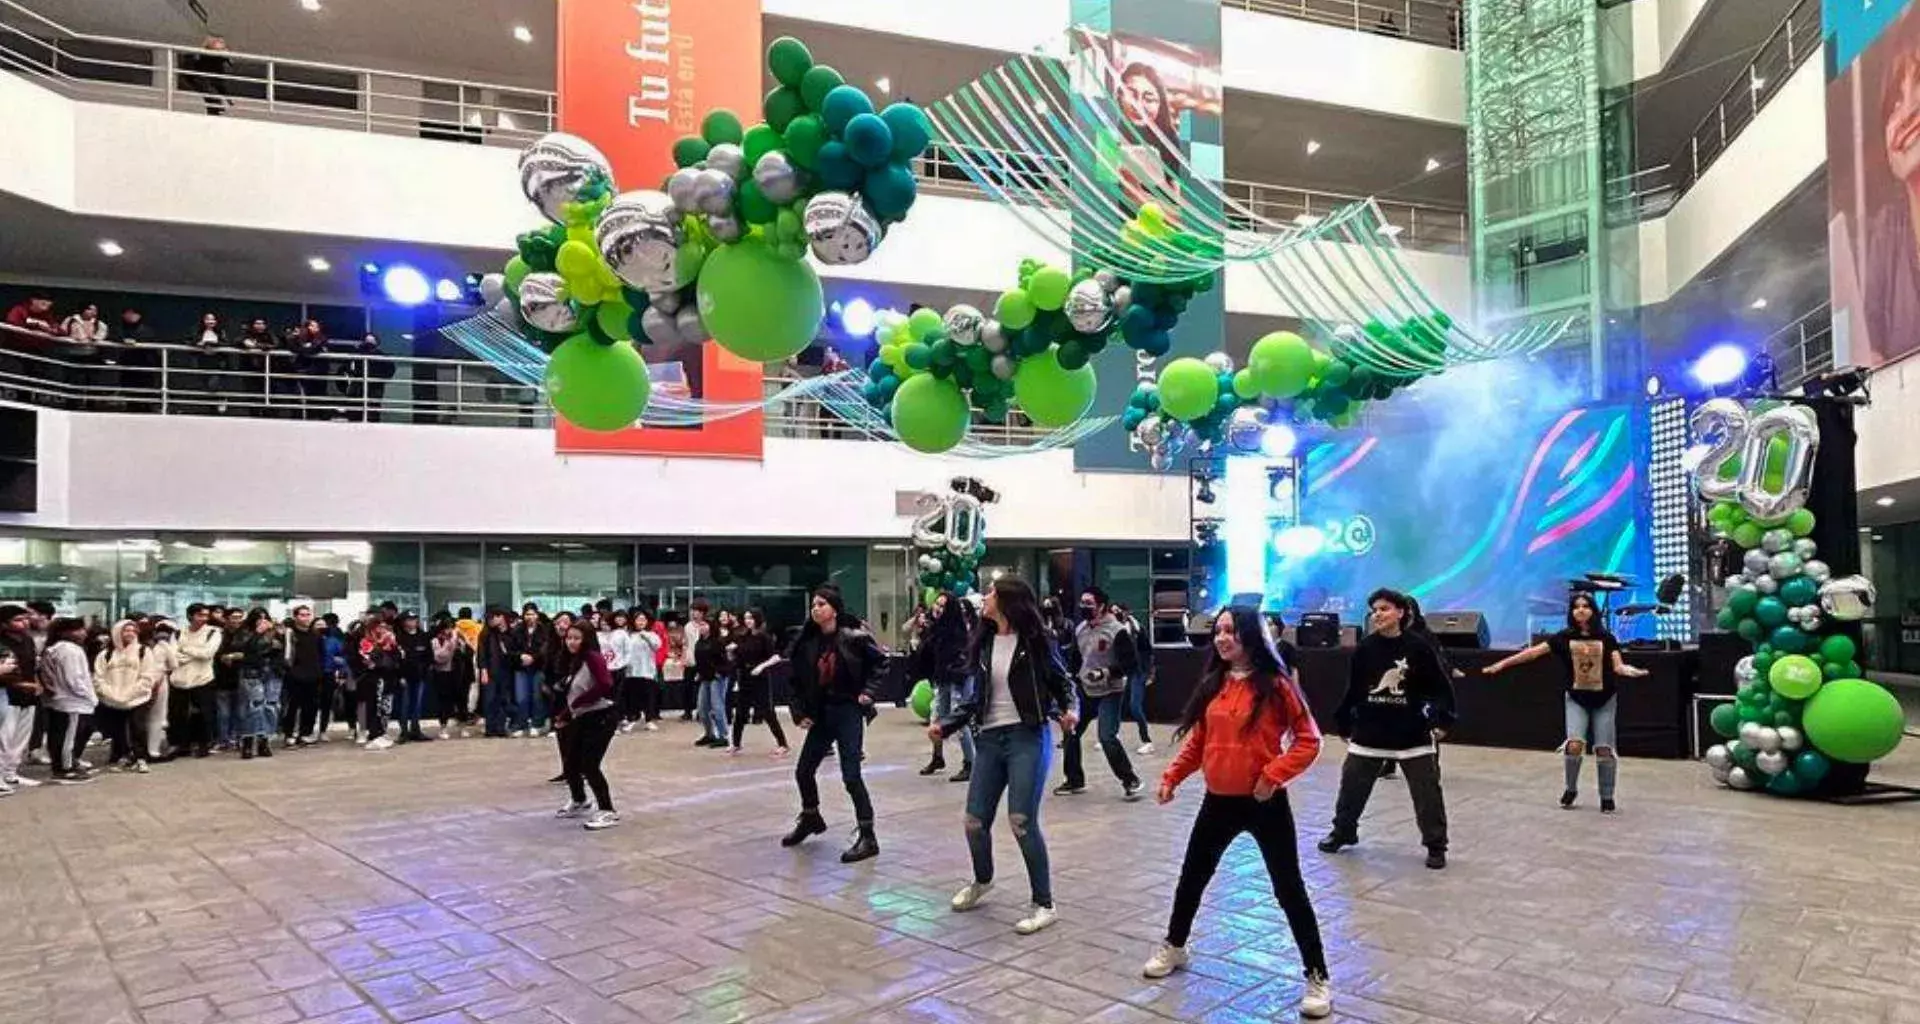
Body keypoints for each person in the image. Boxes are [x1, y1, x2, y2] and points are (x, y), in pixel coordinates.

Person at [1141, 606, 1332, 1017]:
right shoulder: (1215, 683)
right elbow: (1200, 742)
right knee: (1191, 878)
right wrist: (1173, 777)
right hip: (1218, 801)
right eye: (1218, 631)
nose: (1222, 638)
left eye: (1231, 631)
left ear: (1250, 636)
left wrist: (1272, 776)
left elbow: (1308, 740)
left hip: (1265, 804)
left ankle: (1317, 975)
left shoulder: (1277, 685)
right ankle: (1175, 946)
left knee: (1289, 890)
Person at [933, 576, 1077, 934]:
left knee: (1021, 821)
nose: (985, 597)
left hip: (1028, 735)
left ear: (1009, 601)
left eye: (992, 593)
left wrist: (1070, 709)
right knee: (974, 821)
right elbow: (973, 697)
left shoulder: (1038, 641)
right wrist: (947, 724)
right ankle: (983, 880)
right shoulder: (983, 643)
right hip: (990, 740)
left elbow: (1063, 683)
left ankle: (1044, 904)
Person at [1319, 588, 1456, 869]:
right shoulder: (1365, 648)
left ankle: (1435, 845)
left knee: (1426, 792)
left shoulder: (1419, 647)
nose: (1377, 614)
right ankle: (1344, 831)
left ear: (1400, 612)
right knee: (1351, 787)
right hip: (1370, 730)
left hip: (1411, 732)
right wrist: (1344, 720)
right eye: (1374, 610)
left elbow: (1440, 687)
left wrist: (1444, 720)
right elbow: (1354, 689)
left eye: (1384, 609)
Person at [1484, 592, 1650, 813]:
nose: (1581, 610)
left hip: (1605, 698)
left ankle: (1607, 796)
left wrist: (1632, 671)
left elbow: (1618, 665)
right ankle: (1571, 788)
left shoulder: (1607, 638)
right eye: (1576, 607)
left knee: (1604, 749)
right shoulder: (1563, 638)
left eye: (1585, 606)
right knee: (1574, 745)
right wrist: (1501, 665)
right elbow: (1532, 653)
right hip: (1576, 698)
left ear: (1593, 610)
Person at [781, 585, 886, 862]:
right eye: (813, 605)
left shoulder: (854, 637)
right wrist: (798, 711)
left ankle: (868, 835)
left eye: (821, 604)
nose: (816, 609)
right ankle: (810, 816)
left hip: (848, 711)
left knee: (851, 775)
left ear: (834, 609)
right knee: (804, 771)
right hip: (821, 713)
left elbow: (880, 663)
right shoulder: (806, 642)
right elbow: (794, 680)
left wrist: (868, 692)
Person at [1059, 587, 1144, 799]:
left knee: (1106, 736)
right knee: (1071, 731)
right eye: (1082, 603)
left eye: (1089, 604)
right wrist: (1071, 676)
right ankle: (1074, 780)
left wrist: (1105, 672)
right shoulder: (1081, 630)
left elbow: (1131, 665)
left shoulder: (1117, 631)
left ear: (1102, 606)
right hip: (1086, 690)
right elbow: (1077, 659)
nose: (1084, 607)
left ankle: (1130, 780)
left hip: (1111, 691)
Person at [551, 623, 622, 830]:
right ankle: (580, 800)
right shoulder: (576, 661)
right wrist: (565, 715)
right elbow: (573, 694)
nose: (571, 642)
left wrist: (582, 701)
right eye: (569, 638)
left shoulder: (593, 657)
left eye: (576, 638)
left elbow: (605, 684)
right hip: (581, 717)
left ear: (586, 639)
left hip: (601, 716)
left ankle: (608, 810)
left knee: (590, 765)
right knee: (571, 761)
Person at [913, 592, 974, 781]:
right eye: (936, 604)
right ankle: (937, 757)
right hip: (942, 679)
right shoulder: (937, 628)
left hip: (956, 681)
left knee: (959, 721)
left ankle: (970, 763)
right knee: (937, 719)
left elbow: (961, 659)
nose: (937, 608)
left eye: (942, 606)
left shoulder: (957, 632)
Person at [92, 619, 155, 773]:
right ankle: (124, 756)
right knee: (118, 730)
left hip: (138, 698)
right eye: (126, 630)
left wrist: (131, 693)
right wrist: (112, 694)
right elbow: (99, 678)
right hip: (112, 699)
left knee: (138, 728)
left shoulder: (144, 651)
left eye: (133, 630)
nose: (130, 633)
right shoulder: (105, 654)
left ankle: (141, 758)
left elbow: (148, 676)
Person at [39, 617, 97, 784]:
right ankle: (66, 768)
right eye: (79, 630)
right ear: (66, 632)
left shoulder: (53, 648)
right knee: (68, 737)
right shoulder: (70, 650)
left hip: (57, 699)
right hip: (71, 700)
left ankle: (62, 765)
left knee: (57, 735)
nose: (83, 633)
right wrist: (89, 696)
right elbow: (74, 678)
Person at [729, 608, 788, 755]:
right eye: (746, 618)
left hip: (760, 678)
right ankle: (736, 743)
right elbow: (736, 658)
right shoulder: (743, 636)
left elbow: (775, 657)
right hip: (745, 677)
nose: (748, 621)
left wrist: (761, 667)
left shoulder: (764, 637)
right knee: (741, 712)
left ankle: (783, 744)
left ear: (757, 619)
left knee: (767, 712)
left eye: (751, 618)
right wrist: (730, 651)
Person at [169, 603, 222, 758]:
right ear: (191, 616)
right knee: (178, 714)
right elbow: (172, 655)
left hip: (202, 679)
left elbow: (207, 653)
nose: (203, 619)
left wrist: (185, 650)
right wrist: (192, 654)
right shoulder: (178, 633)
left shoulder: (213, 632)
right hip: (180, 679)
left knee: (204, 714)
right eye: (200, 615)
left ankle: (203, 744)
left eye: (206, 615)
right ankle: (181, 744)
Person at [0, 605, 43, 793]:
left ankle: (11, 772)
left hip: (28, 695)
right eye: (18, 619)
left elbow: (32, 665)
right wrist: (20, 685)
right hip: (7, 694)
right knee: (4, 738)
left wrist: (36, 683)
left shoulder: (27, 639)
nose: (25, 622)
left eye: (25, 618)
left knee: (20, 738)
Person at [234, 608, 280, 760]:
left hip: (272, 673)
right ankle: (247, 742)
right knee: (253, 708)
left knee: (270, 708)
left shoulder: (274, 631)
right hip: (252, 673)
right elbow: (245, 649)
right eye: (258, 618)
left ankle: (264, 741)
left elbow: (282, 649)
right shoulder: (245, 632)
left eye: (264, 617)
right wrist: (258, 633)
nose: (262, 620)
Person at [281, 605, 325, 747]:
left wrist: (319, 672)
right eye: (302, 615)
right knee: (293, 706)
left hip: (313, 675)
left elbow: (320, 655)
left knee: (311, 706)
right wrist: (291, 671)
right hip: (295, 676)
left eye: (308, 615)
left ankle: (305, 733)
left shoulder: (316, 635)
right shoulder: (289, 635)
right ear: (295, 617)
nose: (305, 618)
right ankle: (290, 734)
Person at [355, 618, 402, 750]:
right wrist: (380, 647)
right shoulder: (365, 642)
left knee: (386, 707)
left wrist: (391, 649)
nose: (381, 630)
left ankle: (383, 732)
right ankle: (374, 733)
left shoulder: (392, 642)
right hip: (373, 680)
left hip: (389, 678)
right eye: (378, 627)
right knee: (375, 707)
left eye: (384, 627)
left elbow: (398, 658)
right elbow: (369, 662)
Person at [689, 600, 730, 747]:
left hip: (717, 677)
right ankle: (709, 733)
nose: (701, 628)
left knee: (717, 706)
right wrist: (699, 673)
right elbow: (700, 660)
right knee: (702, 707)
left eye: (704, 625)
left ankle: (723, 735)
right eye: (700, 626)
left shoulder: (716, 642)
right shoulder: (700, 642)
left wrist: (719, 673)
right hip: (705, 677)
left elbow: (724, 661)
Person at [507, 603, 551, 738]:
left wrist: (534, 658)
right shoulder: (516, 630)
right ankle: (522, 724)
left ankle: (537, 725)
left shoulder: (545, 630)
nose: (529, 617)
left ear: (537, 615)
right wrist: (521, 656)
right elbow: (511, 650)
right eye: (527, 614)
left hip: (538, 668)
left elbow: (546, 649)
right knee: (521, 698)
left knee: (537, 697)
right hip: (521, 668)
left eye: (532, 614)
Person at [1117, 602, 1156, 753]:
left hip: (1139, 671)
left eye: (1120, 612)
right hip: (1124, 671)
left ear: (1127, 613)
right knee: (1116, 704)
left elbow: (1148, 651)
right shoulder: (1114, 630)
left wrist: (1150, 673)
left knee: (1134, 706)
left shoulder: (1137, 629)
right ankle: (1111, 735)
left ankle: (1147, 741)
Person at [141, 619, 178, 762]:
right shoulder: (164, 645)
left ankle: (138, 750)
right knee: (157, 717)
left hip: (140, 681)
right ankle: (153, 751)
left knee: (140, 717)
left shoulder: (140, 645)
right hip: (159, 681)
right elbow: (174, 664)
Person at [478, 608, 517, 738]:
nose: (491, 620)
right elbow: (481, 653)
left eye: (494, 617)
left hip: (506, 670)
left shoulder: (511, 633)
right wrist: (483, 670)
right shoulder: (486, 634)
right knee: (489, 699)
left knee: (503, 699)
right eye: (489, 618)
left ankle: (500, 727)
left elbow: (515, 652)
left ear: (502, 617)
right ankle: (490, 727)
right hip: (490, 671)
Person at [624, 609, 663, 732]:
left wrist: (646, 636)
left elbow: (657, 646)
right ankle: (632, 719)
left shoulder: (651, 635)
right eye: (638, 620)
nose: (641, 622)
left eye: (643, 620)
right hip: (632, 671)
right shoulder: (629, 635)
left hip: (647, 670)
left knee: (649, 697)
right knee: (633, 697)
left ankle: (649, 720)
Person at [597, 609, 632, 736]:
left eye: (607, 623)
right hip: (602, 671)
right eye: (602, 623)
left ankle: (616, 722)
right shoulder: (597, 635)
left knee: (616, 697)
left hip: (617, 669)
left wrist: (623, 664)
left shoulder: (621, 634)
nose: (604, 625)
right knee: (604, 698)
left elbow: (628, 651)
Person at [179, 35, 235, 115]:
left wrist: (228, 98)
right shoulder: (203, 55)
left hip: (211, 79)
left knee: (213, 97)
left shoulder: (221, 59)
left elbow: (221, 81)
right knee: (211, 95)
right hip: (203, 79)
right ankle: (216, 109)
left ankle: (215, 110)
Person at [431, 620, 465, 740]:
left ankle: (462, 725)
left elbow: (466, 652)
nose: (450, 631)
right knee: (444, 701)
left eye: (452, 628)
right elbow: (440, 657)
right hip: (441, 674)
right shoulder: (435, 641)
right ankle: (443, 726)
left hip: (456, 673)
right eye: (447, 628)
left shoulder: (457, 639)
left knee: (459, 700)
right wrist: (450, 644)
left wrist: (460, 643)